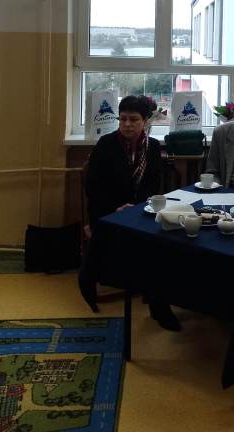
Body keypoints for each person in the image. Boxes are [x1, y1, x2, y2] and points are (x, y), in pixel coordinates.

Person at [84, 94, 180, 331]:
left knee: (163, 243)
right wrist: (116, 208)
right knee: (138, 245)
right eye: (123, 119)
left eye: (134, 120)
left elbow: (153, 184)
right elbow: (93, 187)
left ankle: (158, 302)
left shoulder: (153, 146)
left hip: (140, 210)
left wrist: (136, 207)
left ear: (145, 121)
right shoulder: (106, 144)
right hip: (107, 211)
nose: (127, 124)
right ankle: (155, 301)